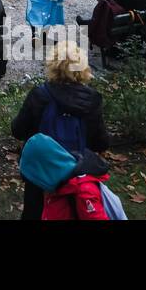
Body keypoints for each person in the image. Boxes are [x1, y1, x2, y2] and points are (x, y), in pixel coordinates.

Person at [10, 40, 109, 220]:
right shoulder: (92, 99)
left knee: (34, 213)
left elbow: (18, 130)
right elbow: (101, 142)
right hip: (77, 172)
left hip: (41, 170)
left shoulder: (40, 95)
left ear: (52, 65)